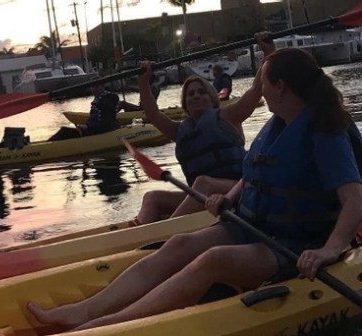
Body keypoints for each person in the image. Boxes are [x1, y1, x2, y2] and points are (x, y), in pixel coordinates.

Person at [27, 40, 362, 332]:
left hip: (296, 243)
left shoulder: (325, 131)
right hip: (256, 226)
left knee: (213, 259)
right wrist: (228, 199)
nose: (260, 88)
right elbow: (257, 173)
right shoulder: (280, 124)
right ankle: (82, 311)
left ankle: (106, 326)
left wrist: (330, 249)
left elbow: (354, 198)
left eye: (262, 81)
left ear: (281, 87)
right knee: (180, 243)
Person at [130, 35, 275, 226]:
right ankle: (139, 230)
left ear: (212, 97)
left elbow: (257, 89)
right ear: (185, 104)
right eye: (190, 94)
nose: (196, 96)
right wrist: (143, 81)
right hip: (201, 196)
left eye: (201, 92)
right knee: (152, 197)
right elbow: (152, 113)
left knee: (203, 183)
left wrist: (269, 53)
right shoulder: (179, 130)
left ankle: (165, 231)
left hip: (238, 190)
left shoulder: (229, 116)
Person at [48, 83, 120, 141]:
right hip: (94, 129)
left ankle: (46, 148)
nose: (93, 89)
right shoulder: (100, 98)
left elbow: (105, 121)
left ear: (103, 86)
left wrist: (87, 127)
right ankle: (48, 144)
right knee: (64, 131)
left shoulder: (108, 98)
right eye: (92, 87)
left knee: (64, 131)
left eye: (96, 87)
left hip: (99, 131)